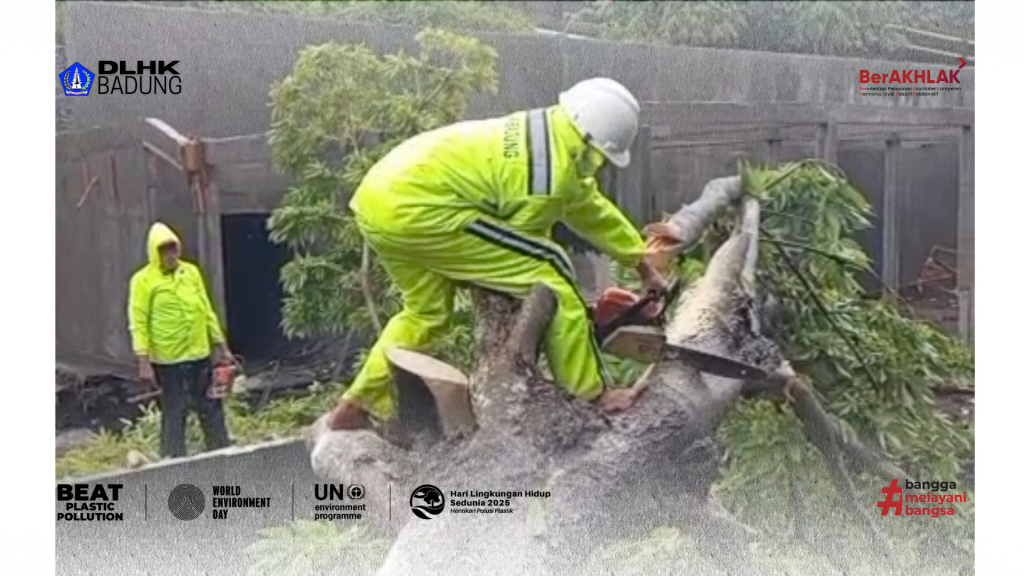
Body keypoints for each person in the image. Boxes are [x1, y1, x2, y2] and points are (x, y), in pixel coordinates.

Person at [328, 77, 669, 430]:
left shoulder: (546, 131)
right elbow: (532, 250)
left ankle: (358, 403)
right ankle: (590, 394)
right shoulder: (546, 178)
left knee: (425, 314)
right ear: (590, 143)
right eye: (603, 156)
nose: (602, 164)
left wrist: (641, 264)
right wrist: (582, 318)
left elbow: (585, 205)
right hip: (422, 209)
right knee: (553, 271)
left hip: (377, 201)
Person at [128, 222, 235, 458]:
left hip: (199, 354)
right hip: (169, 359)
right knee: (175, 410)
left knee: (211, 406)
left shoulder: (191, 272)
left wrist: (222, 346)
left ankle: (222, 455)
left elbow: (206, 310)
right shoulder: (143, 281)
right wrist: (143, 362)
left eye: (173, 249)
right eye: (164, 250)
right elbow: (139, 322)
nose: (170, 255)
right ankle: (173, 462)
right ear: (155, 252)